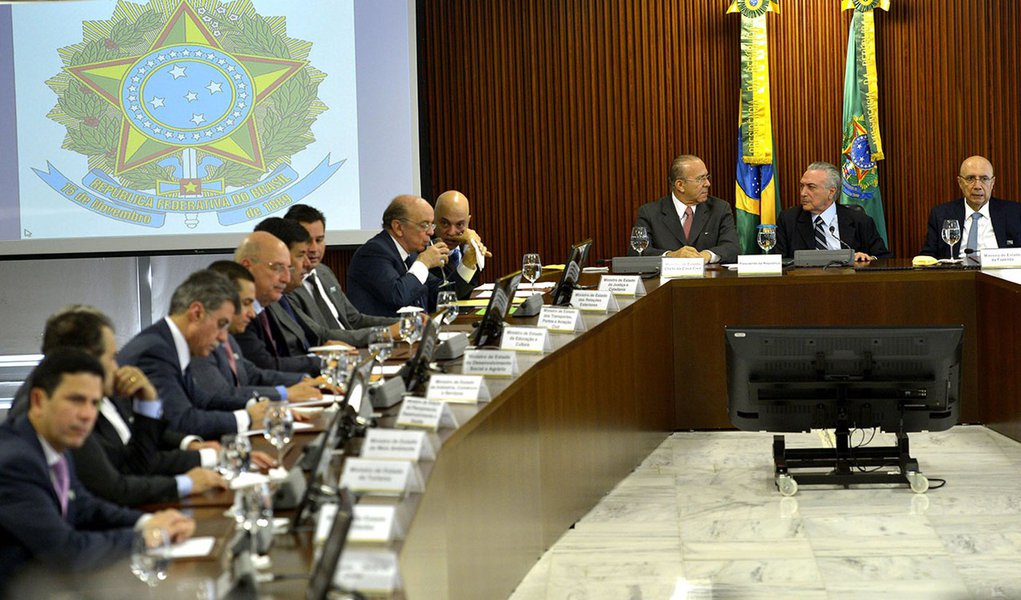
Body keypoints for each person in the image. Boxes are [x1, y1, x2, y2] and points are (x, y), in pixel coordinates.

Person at [0, 349, 195, 592]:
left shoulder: (54, 442)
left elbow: (85, 506)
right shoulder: (14, 461)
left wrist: (147, 521)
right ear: (39, 401)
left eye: (94, 403)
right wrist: (145, 537)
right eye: (76, 400)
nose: (87, 415)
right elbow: (67, 551)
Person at [7, 307, 226, 507]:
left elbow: (136, 462)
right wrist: (184, 484)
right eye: (112, 357)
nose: (117, 366)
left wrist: (147, 402)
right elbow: (113, 488)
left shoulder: (99, 390)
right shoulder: (53, 406)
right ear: (85, 358)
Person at [118, 269, 273, 440]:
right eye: (221, 324)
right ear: (196, 313)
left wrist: (257, 406)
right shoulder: (154, 352)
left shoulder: (170, 343)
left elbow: (205, 401)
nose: (223, 338)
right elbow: (180, 421)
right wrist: (247, 418)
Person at [196, 260, 322, 403]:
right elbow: (221, 395)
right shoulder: (197, 343)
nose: (252, 313)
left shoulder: (226, 337)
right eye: (246, 303)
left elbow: (253, 374)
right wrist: (283, 394)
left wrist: (304, 380)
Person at [284, 204, 402, 331]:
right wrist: (385, 333)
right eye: (307, 241)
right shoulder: (287, 285)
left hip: (354, 347)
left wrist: (404, 323)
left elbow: (354, 320)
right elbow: (321, 335)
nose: (314, 249)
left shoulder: (324, 272)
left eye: (319, 240)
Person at [233, 231, 322, 376]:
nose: (286, 279)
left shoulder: (265, 306)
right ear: (247, 266)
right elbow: (264, 365)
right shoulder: (236, 311)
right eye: (278, 268)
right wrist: (322, 363)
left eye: (289, 268)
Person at [347, 195, 448, 316]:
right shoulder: (373, 253)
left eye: (432, 225)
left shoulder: (411, 255)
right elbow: (398, 296)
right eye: (424, 225)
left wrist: (466, 266)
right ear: (398, 227)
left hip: (414, 330)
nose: (431, 232)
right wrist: (423, 263)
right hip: (382, 333)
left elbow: (441, 293)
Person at [630, 155, 739, 263]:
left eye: (707, 177)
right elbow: (636, 252)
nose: (707, 183)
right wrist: (671, 256)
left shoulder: (720, 209)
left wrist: (707, 255)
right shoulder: (650, 213)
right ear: (680, 185)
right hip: (665, 279)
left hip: (707, 278)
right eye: (700, 179)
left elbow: (732, 248)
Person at [775, 161, 891, 261]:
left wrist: (868, 259)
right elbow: (780, 261)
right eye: (801, 186)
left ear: (831, 192)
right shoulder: (788, 220)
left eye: (811, 187)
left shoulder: (859, 220)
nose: (803, 193)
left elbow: (884, 257)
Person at [919, 155, 1021, 259]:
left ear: (992, 183)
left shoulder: (1015, 213)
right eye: (970, 178)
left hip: (999, 274)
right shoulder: (941, 214)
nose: (977, 186)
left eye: (984, 179)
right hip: (957, 274)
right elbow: (928, 257)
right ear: (960, 182)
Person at [431, 191, 491, 299]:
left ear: (468, 221)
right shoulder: (423, 250)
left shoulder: (469, 246)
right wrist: (466, 264)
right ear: (433, 218)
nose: (451, 232)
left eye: (459, 224)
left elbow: (466, 293)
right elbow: (440, 298)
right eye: (445, 223)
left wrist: (472, 253)